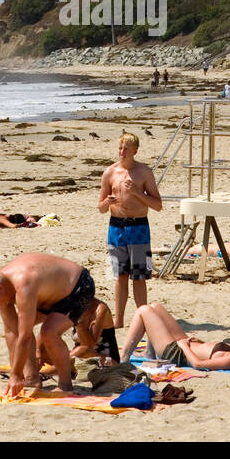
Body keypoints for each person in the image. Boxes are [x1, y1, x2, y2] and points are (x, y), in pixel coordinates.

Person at [0, 254, 95, 395]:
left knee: (49, 332)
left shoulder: (23, 284)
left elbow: (25, 337)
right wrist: (18, 373)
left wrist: (14, 375)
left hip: (78, 287)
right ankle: (32, 378)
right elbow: (11, 331)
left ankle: (65, 384)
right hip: (48, 294)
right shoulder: (0, 286)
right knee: (17, 327)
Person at [98, 132, 162, 327]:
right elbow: (100, 208)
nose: (122, 152)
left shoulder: (144, 172)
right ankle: (119, 320)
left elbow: (158, 205)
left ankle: (143, 319)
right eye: (120, 148)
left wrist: (137, 193)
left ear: (135, 150)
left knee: (140, 276)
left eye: (126, 148)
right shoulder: (110, 173)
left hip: (139, 227)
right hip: (116, 227)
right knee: (120, 276)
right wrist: (107, 203)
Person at [123, 303, 230, 373]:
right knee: (155, 307)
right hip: (186, 342)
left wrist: (185, 347)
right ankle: (149, 354)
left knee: (144, 310)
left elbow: (198, 364)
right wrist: (195, 342)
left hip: (176, 352)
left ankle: (122, 359)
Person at [70, 298, 120, 363]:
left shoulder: (100, 310)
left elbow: (89, 347)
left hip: (107, 360)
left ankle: (54, 369)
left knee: (81, 350)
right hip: (81, 357)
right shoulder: (72, 306)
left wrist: (79, 323)